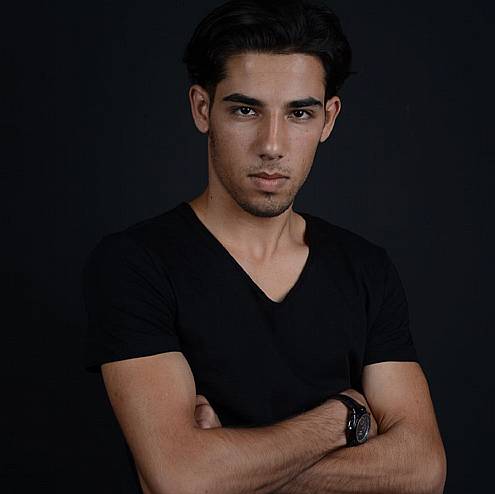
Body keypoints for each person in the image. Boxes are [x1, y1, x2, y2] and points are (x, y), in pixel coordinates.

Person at [82, 1, 447, 493]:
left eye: (299, 113)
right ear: (202, 109)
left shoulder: (366, 268)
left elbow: (423, 470)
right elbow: (183, 478)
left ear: (328, 120)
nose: (272, 144)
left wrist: (229, 469)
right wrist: (341, 419)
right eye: (245, 109)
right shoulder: (135, 264)